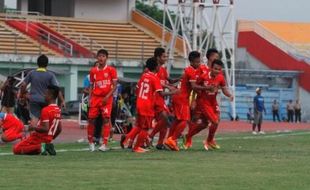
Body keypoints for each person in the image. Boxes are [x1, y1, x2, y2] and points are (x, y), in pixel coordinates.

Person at [183, 59, 233, 150]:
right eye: (215, 69)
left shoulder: (221, 77)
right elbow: (195, 87)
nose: (217, 71)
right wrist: (194, 99)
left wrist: (229, 95)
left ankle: (188, 136)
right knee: (214, 121)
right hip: (203, 102)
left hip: (213, 102)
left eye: (219, 69)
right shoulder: (203, 76)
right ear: (211, 68)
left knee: (205, 124)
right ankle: (209, 140)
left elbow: (224, 89)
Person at [164, 51, 208, 151]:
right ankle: (172, 139)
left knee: (177, 120)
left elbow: (187, 81)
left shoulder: (189, 70)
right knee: (184, 120)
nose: (199, 64)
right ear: (191, 62)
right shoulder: (191, 71)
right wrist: (207, 88)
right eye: (197, 62)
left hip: (178, 96)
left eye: (199, 61)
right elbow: (194, 86)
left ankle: (169, 140)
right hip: (181, 98)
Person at [13, 85, 62, 155]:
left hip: (38, 138)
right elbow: (59, 129)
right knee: (30, 150)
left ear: (50, 96)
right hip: (47, 139)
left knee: (16, 149)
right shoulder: (57, 110)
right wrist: (50, 138)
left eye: (45, 94)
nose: (44, 95)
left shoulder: (46, 110)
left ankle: (41, 147)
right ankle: (45, 147)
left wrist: (33, 127)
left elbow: (45, 128)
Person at [87, 49, 118, 152]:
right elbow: (91, 85)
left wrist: (107, 96)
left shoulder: (111, 70)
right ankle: (91, 142)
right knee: (91, 119)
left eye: (103, 56)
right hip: (95, 98)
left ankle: (104, 144)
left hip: (107, 99)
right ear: (97, 58)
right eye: (99, 56)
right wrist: (90, 98)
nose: (101, 58)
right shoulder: (93, 71)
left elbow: (114, 86)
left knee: (106, 119)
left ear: (106, 58)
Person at [20, 54, 65, 122]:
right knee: (45, 121)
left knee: (34, 120)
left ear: (37, 63)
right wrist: (62, 100)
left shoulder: (32, 73)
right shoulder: (50, 75)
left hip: (34, 100)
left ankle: (34, 131)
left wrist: (22, 94)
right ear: (47, 64)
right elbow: (57, 88)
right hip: (46, 101)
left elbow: (23, 86)